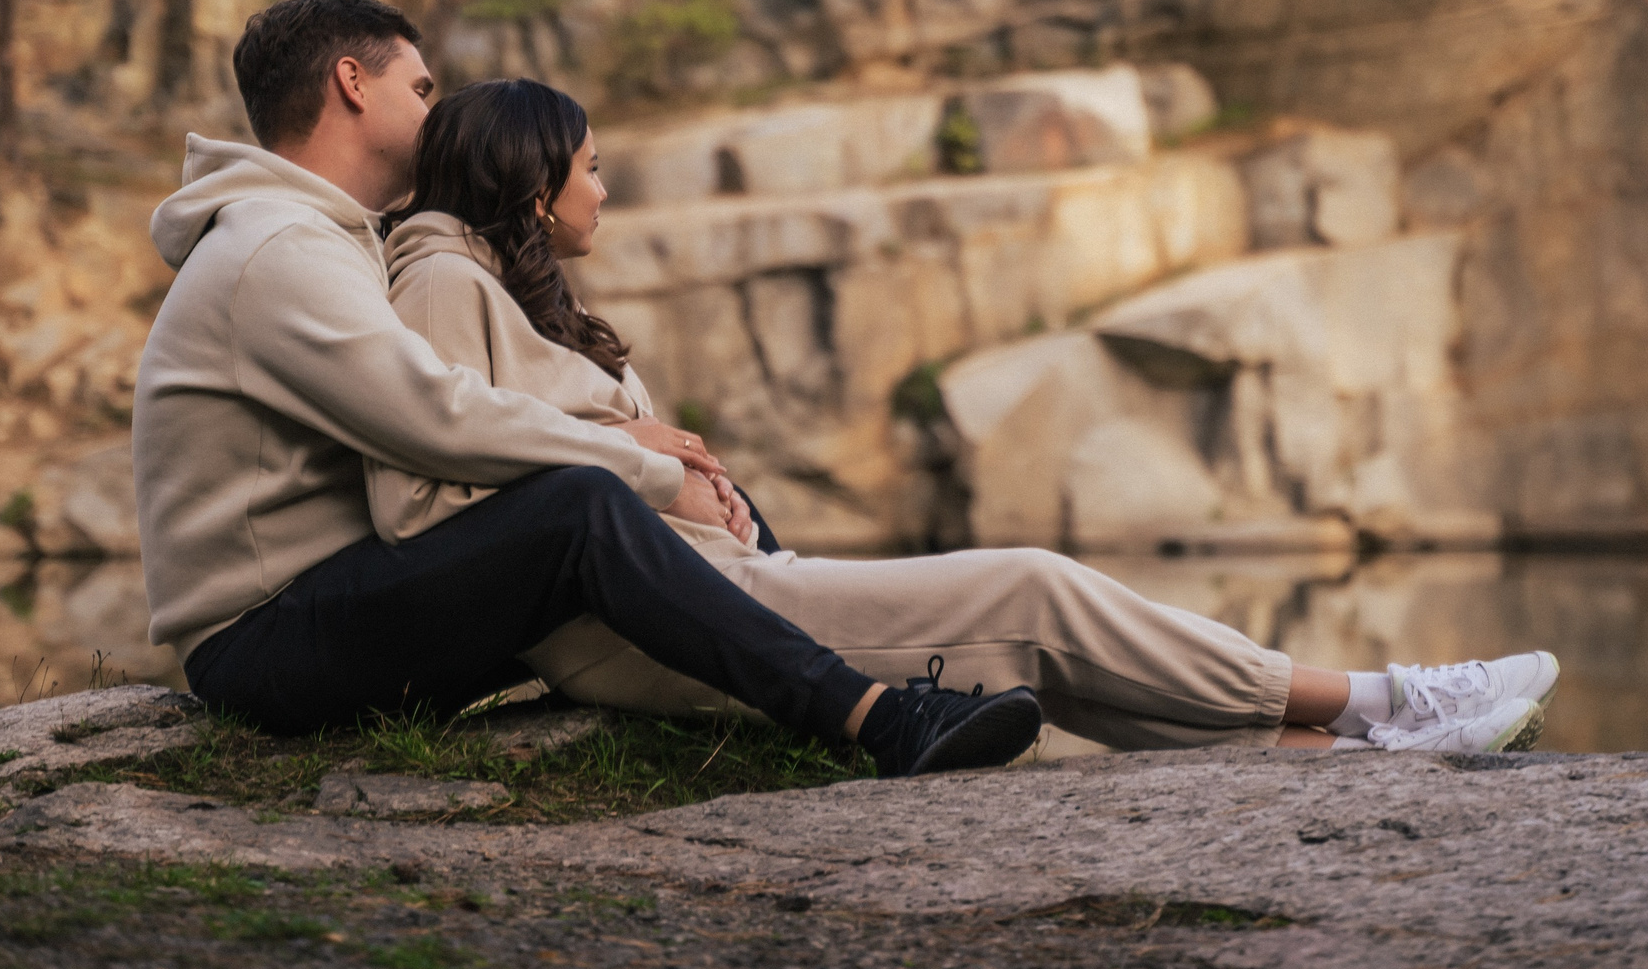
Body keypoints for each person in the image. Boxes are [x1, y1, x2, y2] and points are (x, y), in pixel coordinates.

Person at [368, 73, 1562, 755]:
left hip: (715, 588)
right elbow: (428, 497)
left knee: (1036, 653)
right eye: (588, 165)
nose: (605, 183)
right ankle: (1385, 696)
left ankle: (1339, 747)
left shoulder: (498, 284)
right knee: (1032, 590)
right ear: (535, 183)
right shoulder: (437, 278)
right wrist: (626, 450)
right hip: (652, 624)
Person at [133, 0, 1042, 778]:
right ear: (351, 83)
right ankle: (878, 719)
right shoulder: (279, 248)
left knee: (602, 509)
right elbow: (435, 416)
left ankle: (809, 667)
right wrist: (632, 457)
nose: (433, 113)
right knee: (577, 508)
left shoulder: (320, 240)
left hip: (332, 601)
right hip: (264, 642)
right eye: (419, 89)